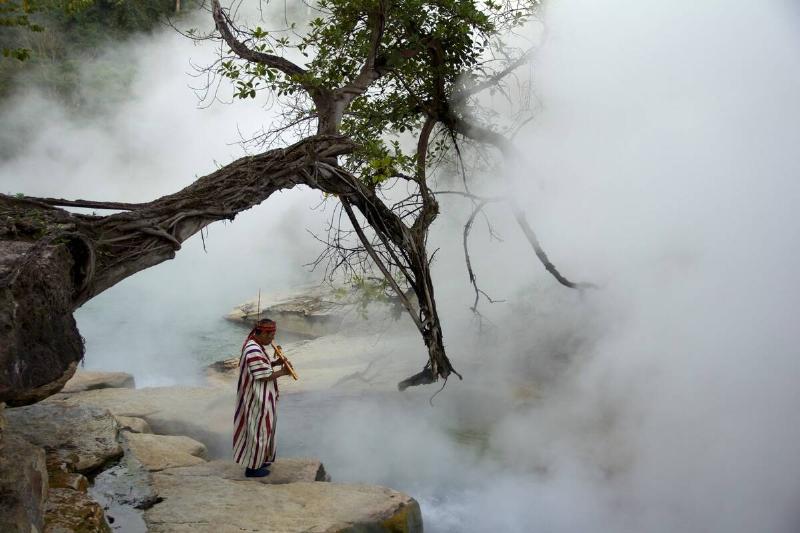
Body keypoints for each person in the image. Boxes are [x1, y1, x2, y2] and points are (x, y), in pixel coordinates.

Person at [233, 318, 291, 477]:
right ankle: (252, 468)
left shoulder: (255, 344)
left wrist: (276, 363)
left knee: (266, 428)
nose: (272, 339)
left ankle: (261, 458)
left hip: (263, 396)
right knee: (258, 431)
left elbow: (263, 366)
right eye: (271, 335)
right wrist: (284, 372)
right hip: (257, 398)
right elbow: (263, 375)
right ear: (263, 333)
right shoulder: (252, 350)